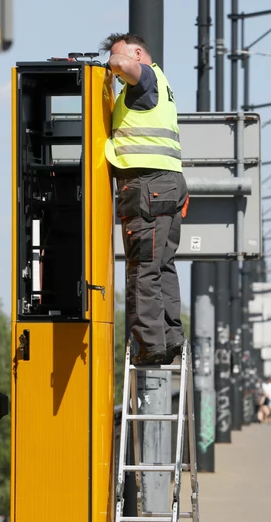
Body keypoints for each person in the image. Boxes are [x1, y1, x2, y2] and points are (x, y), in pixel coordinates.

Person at [102, 33, 188, 367]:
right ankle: (169, 338)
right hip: (168, 183)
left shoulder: (146, 77)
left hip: (147, 186)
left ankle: (150, 346)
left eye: (118, 55)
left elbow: (124, 64)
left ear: (138, 53)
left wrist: (109, 65)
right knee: (163, 266)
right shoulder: (162, 85)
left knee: (142, 270)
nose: (116, 65)